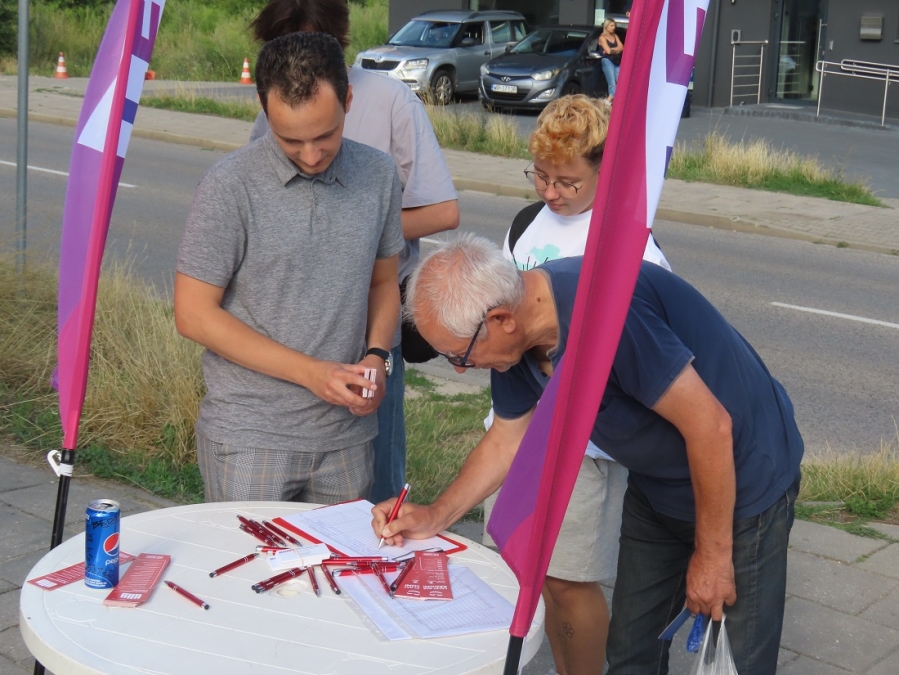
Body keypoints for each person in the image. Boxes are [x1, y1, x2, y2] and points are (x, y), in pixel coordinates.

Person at [375, 234, 804, 675]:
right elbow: (506, 439)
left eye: (459, 355)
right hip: (658, 486)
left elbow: (711, 427)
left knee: (736, 661)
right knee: (631, 651)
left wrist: (712, 556)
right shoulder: (515, 344)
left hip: (743, 481)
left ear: (502, 319)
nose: (461, 369)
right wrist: (436, 514)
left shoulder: (608, 315)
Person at [174, 32, 405, 504]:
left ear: (348, 100)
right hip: (249, 438)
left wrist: (377, 357)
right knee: (247, 557)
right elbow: (193, 314)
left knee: (340, 558)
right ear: (264, 109)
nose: (311, 155)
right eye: (290, 140)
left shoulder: (379, 174)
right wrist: (312, 374)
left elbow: (383, 283)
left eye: (325, 135)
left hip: (347, 437)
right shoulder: (228, 186)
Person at [484, 94, 670, 675]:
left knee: (567, 581)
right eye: (540, 176)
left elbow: (646, 354)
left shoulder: (629, 241)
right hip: (516, 428)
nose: (550, 192)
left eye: (567, 182)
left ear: (604, 172)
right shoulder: (525, 224)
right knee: (511, 566)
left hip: (586, 445)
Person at [248, 0, 460, 504]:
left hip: (370, 324)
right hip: (297, 325)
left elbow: (444, 210)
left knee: (375, 479)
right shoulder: (276, 103)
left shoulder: (389, 100)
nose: (311, 153)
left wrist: (359, 230)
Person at [597, 18, 623, 100]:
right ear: (606, 26)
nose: (613, 27)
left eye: (614, 26)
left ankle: (609, 102)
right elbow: (608, 51)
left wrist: (612, 50)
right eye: (611, 26)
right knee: (612, 84)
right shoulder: (602, 38)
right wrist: (616, 50)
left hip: (616, 61)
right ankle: (608, 102)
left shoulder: (615, 36)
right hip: (607, 61)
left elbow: (622, 47)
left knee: (621, 82)